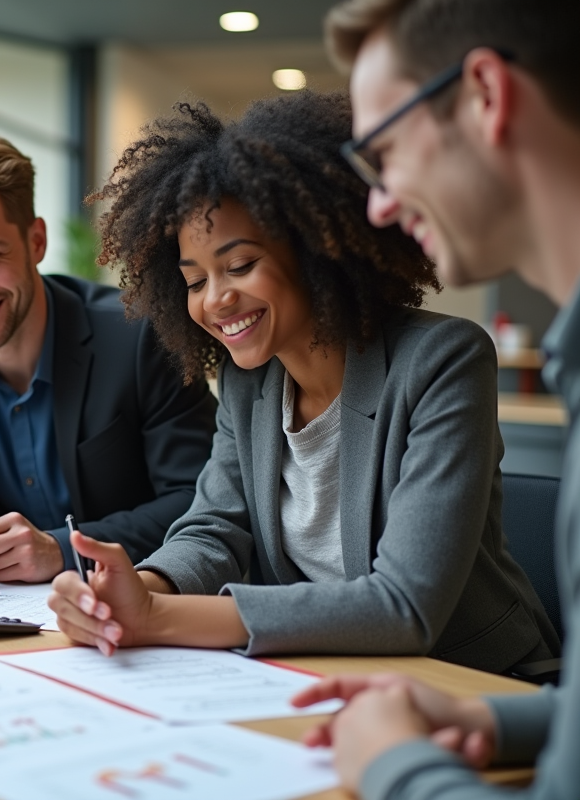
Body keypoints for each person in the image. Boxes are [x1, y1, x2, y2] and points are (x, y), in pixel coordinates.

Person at [47, 91, 558, 675]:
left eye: (240, 266)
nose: (216, 300)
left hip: (472, 682)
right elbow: (214, 529)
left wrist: (160, 617)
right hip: (323, 674)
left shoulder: (442, 360)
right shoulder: (249, 383)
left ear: (318, 250)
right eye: (194, 281)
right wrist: (139, 587)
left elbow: (404, 606)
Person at [289, 0, 580, 797]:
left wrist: (392, 763)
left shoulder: (441, 357)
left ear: (486, 93)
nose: (378, 204)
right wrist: (493, 719)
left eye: (383, 150)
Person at [0, 133, 218, 591]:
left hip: (146, 602)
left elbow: (200, 498)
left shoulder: (138, 335)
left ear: (36, 241)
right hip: (10, 614)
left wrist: (63, 549)